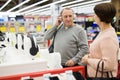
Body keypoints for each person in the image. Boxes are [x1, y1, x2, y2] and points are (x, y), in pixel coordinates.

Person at [81, 3, 119, 77]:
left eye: (95, 14)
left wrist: (88, 60)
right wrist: (89, 56)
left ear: (100, 17)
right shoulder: (103, 32)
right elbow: (99, 54)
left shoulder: (108, 37)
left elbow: (108, 65)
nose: (94, 16)